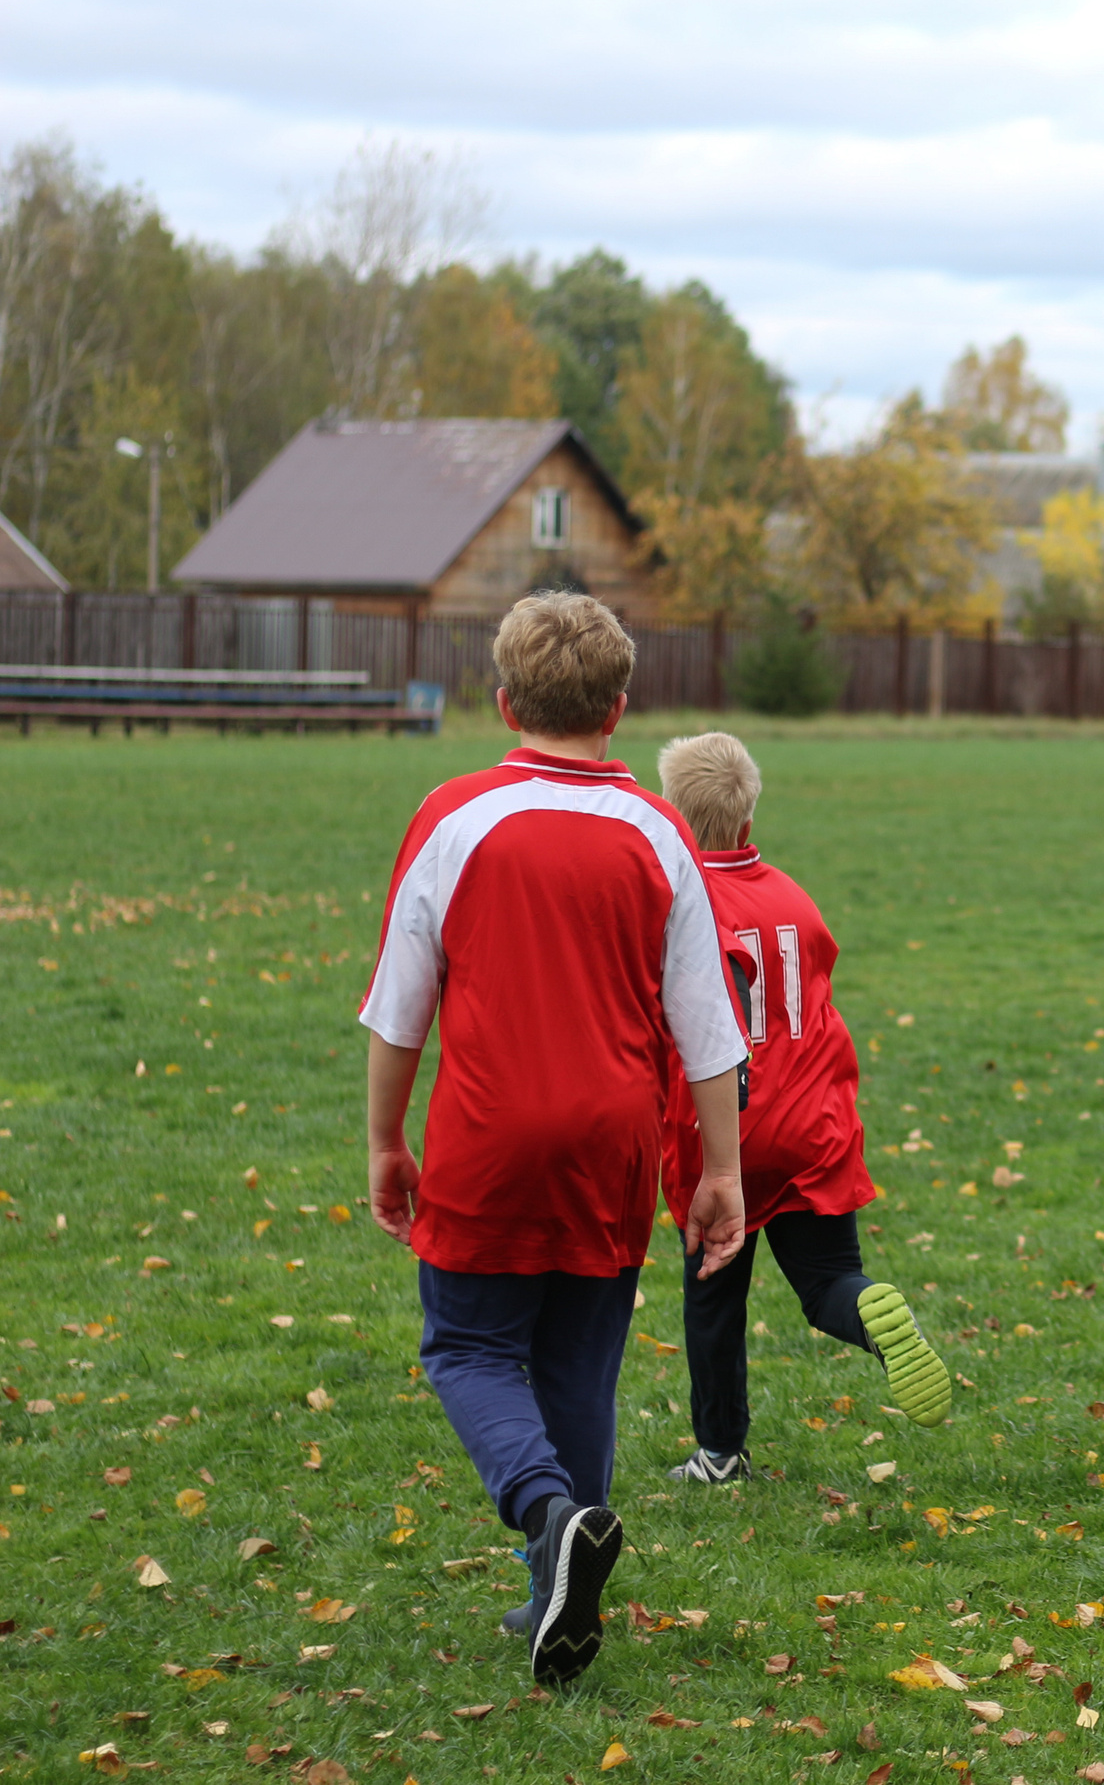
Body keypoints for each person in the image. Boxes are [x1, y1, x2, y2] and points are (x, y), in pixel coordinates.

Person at [361, 593, 750, 1688]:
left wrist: (387, 1139)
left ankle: (548, 1515)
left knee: (468, 1348)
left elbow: (400, 1008)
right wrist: (717, 1169)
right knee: (580, 1361)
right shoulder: (661, 831)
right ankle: (555, 1594)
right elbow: (706, 1025)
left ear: (501, 701)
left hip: (489, 1128)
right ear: (619, 710)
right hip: (614, 1139)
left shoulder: (453, 814)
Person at [654, 731, 951, 1482]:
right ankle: (870, 1310)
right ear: (748, 821)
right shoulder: (792, 896)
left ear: (670, 818)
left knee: (714, 1298)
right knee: (826, 1285)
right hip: (814, 1123)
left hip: (730, 1129)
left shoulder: (679, 906)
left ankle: (720, 1452)